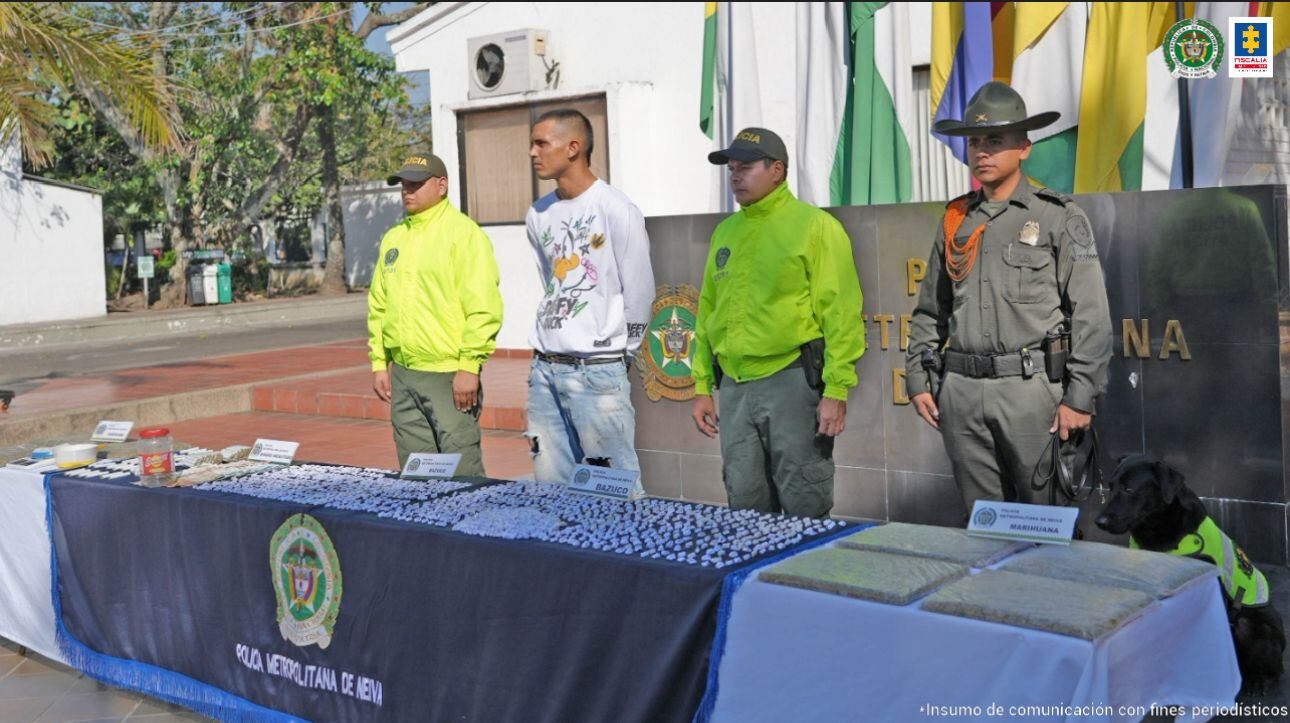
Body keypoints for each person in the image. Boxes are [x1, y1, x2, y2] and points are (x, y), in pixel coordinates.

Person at [905, 81, 1112, 515]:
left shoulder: (1057, 216)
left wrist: (1079, 397)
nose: (981, 151)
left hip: (1031, 391)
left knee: (1047, 524)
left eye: (994, 141)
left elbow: (1091, 314)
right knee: (983, 526)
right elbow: (931, 308)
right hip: (961, 392)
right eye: (974, 141)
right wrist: (919, 376)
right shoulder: (956, 219)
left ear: (1023, 147)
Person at [689, 127, 865, 518]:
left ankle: (805, 579)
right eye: (731, 168)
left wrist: (836, 389)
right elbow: (707, 313)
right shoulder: (726, 232)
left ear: (777, 170)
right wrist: (702, 384)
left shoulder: (815, 227)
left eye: (746, 167)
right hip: (734, 387)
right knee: (745, 506)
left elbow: (841, 314)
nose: (735, 176)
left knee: (805, 503)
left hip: (790, 382)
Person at [524, 109, 655, 487]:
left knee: (613, 489)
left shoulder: (615, 208)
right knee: (552, 489)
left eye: (541, 143)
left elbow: (640, 290)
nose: (533, 152)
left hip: (597, 370)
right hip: (543, 370)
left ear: (573, 148)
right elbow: (551, 283)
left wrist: (620, 351)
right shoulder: (539, 213)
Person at [368, 152, 502, 474]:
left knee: (461, 473)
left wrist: (469, 367)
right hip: (403, 374)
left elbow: (483, 307)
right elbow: (378, 304)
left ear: (441, 185)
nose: (407, 191)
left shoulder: (464, 235)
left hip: (448, 375)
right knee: (417, 473)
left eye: (416, 183)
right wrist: (378, 363)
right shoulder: (394, 238)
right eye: (403, 184)